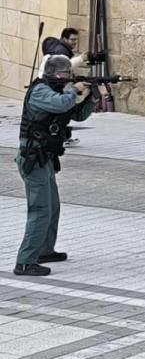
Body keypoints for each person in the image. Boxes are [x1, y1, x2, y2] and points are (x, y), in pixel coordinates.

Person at [15, 55, 100, 276]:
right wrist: (74, 90)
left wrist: (92, 97)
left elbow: (76, 114)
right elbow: (61, 103)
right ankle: (25, 261)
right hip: (33, 157)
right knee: (40, 209)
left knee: (52, 206)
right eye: (65, 75)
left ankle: (44, 250)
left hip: (46, 157)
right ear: (54, 74)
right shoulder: (41, 91)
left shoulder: (57, 92)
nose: (67, 78)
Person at [37, 28, 106, 148]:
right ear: (64, 39)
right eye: (72, 40)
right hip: (53, 89)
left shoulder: (59, 49)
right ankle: (59, 135)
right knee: (67, 111)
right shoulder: (61, 51)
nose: (74, 43)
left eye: (76, 40)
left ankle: (61, 135)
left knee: (66, 110)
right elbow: (64, 65)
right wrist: (81, 59)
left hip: (53, 88)